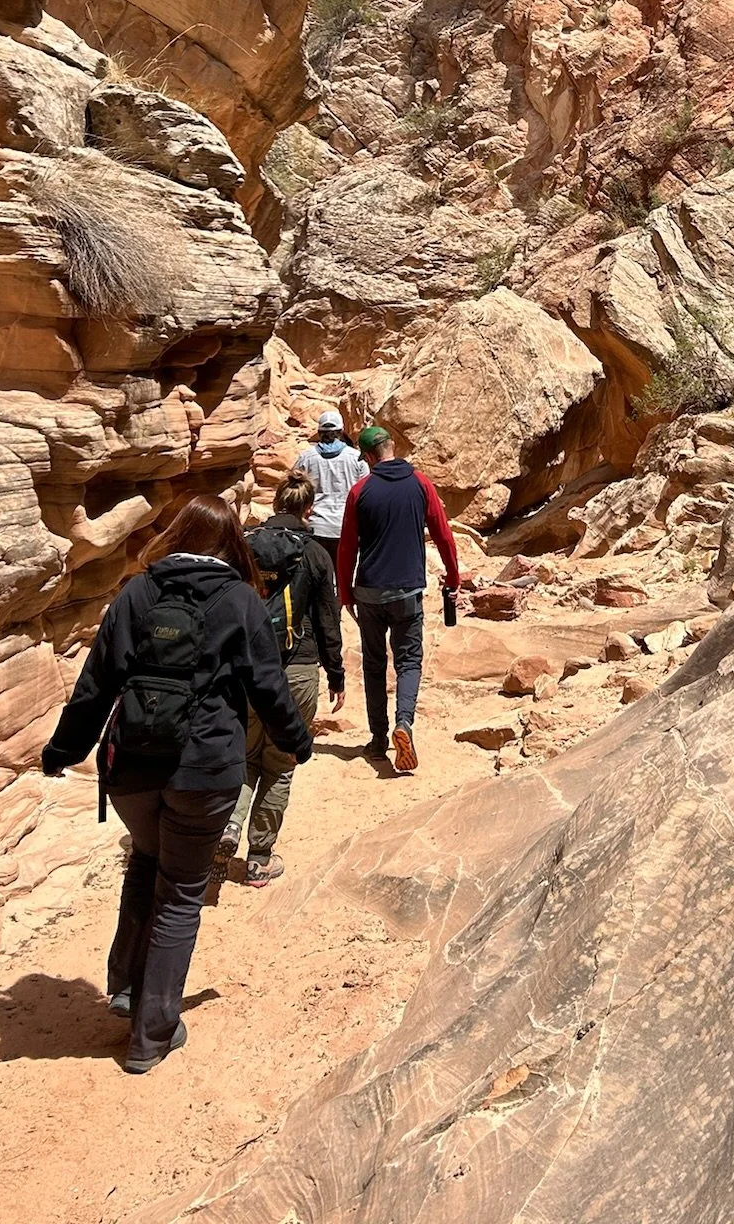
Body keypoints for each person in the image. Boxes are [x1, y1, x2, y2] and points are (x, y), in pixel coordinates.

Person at [40, 495, 313, 1074]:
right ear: (231, 543)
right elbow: (268, 688)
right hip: (205, 771)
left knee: (145, 860)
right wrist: (298, 740)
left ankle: (125, 989)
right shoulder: (239, 600)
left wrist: (63, 751)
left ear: (177, 535)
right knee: (181, 892)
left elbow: (95, 684)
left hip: (131, 769)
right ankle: (151, 1034)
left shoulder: (135, 593)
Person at [220, 474, 346, 886]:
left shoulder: (246, 546)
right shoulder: (314, 553)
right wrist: (336, 672)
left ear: (275, 503)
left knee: (243, 756)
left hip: (248, 669)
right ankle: (258, 858)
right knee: (280, 764)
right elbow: (328, 617)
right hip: (297, 670)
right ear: (309, 509)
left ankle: (227, 827)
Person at [337, 424, 460, 776]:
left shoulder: (360, 490)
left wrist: (345, 592)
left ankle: (378, 740)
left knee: (374, 665)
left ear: (370, 457)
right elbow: (443, 535)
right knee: (408, 662)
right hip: (407, 590)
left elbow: (347, 548)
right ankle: (403, 723)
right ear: (392, 448)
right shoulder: (420, 484)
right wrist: (452, 578)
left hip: (370, 592)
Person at [293, 409, 367, 549]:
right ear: (341, 431)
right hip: (345, 528)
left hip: (316, 527)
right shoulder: (357, 458)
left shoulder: (306, 458)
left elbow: (294, 488)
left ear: (319, 433)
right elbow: (365, 494)